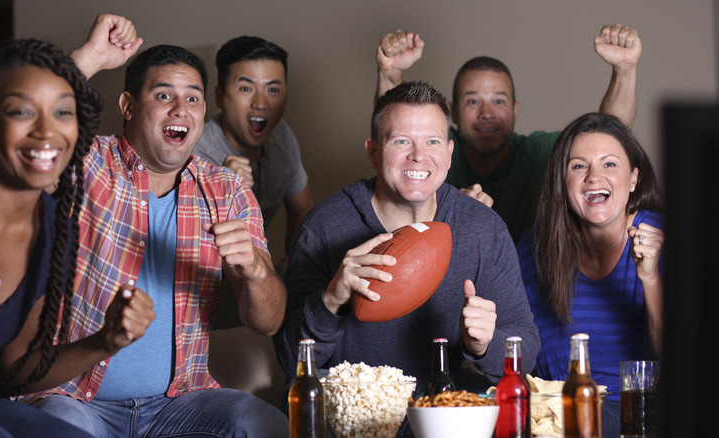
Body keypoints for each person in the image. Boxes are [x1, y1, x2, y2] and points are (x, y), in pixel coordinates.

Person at [19, 14, 288, 437]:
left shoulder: (228, 191)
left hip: (178, 404)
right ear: (128, 106)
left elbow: (268, 321)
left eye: (193, 99)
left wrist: (256, 270)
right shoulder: (85, 162)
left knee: (261, 424)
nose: (181, 109)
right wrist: (88, 58)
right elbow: (25, 127)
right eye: (164, 95)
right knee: (59, 427)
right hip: (72, 397)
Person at [274, 81, 540, 435]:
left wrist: (486, 344)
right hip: (352, 413)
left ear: (448, 154)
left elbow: (526, 347)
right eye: (401, 141)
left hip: (441, 409)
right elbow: (291, 362)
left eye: (431, 142)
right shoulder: (324, 226)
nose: (418, 156)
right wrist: (331, 298)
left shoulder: (482, 228)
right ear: (372, 152)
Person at [0, 38, 102, 437]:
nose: (47, 130)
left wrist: (106, 342)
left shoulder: (53, 226)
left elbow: (12, 371)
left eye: (63, 112)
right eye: (22, 112)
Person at [375, 24, 641, 243]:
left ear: (515, 110)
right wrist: (390, 74)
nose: (487, 113)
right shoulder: (432, 151)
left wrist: (625, 70)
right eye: (473, 101)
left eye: (499, 102)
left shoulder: (536, 151)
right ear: (453, 111)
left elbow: (611, 136)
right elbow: (393, 129)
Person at [516, 112, 663, 437]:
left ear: (634, 178)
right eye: (578, 166)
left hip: (640, 412)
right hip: (557, 413)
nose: (593, 176)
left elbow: (686, 358)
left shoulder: (659, 236)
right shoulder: (535, 247)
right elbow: (519, 344)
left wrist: (650, 278)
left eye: (609, 164)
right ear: (562, 181)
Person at [193, 35, 313, 273]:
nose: (261, 103)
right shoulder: (194, 152)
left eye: (273, 89)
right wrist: (223, 192)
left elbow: (302, 208)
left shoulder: (281, 137)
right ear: (218, 96)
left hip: (254, 274)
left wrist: (295, 261)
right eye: (246, 88)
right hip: (200, 280)